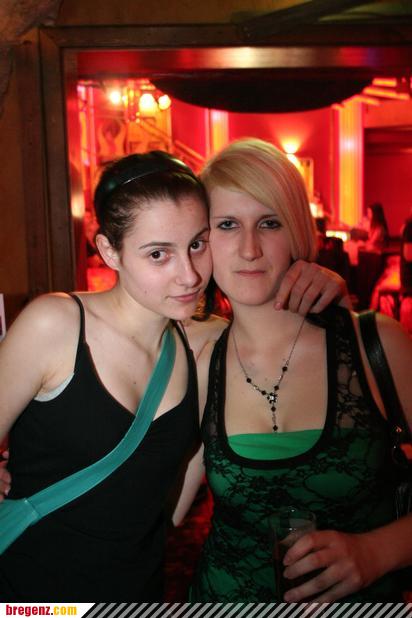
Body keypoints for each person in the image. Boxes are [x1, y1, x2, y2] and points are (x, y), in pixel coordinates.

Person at [0, 149, 348, 601]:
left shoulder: (203, 346)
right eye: (158, 254)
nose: (189, 276)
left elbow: (168, 515)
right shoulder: (56, 326)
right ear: (109, 251)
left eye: (197, 245)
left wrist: (323, 283)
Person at [174, 138, 412, 603]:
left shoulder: (375, 344)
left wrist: (375, 552)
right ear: (201, 243)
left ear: (298, 231)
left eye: (270, 223)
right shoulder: (199, 359)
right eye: (227, 225)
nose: (249, 249)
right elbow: (158, 514)